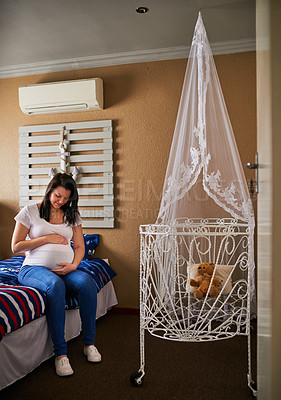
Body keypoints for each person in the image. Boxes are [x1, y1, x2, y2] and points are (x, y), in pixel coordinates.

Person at [11, 173, 101, 377]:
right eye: (58, 196)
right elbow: (16, 246)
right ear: (50, 190)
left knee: (87, 282)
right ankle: (61, 354)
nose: (61, 201)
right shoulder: (30, 211)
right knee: (55, 286)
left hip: (66, 269)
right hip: (33, 269)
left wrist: (74, 265)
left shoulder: (73, 216)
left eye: (66, 198)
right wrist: (45, 239)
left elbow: (79, 247)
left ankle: (89, 344)